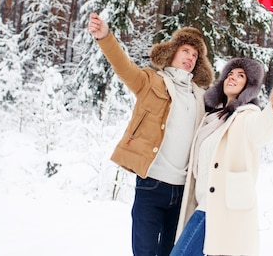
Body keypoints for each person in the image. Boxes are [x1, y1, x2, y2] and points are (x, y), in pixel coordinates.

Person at [88, 13, 214, 256]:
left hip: (182, 192)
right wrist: (105, 37)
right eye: (186, 50)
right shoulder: (151, 81)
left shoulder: (200, 96)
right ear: (173, 51)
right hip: (152, 185)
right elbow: (123, 66)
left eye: (195, 55)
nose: (190, 57)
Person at [170, 58, 273, 256]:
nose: (232, 78)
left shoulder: (247, 116)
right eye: (230, 74)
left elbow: (261, 130)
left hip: (218, 210)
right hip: (201, 204)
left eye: (240, 76)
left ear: (249, 86)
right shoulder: (211, 117)